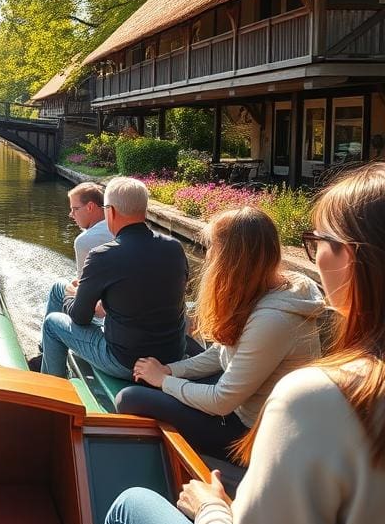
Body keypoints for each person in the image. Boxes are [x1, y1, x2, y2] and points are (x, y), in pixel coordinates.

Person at [102, 162, 385, 524]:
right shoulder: (276, 300)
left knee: (127, 504)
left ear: (353, 256)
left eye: (318, 242)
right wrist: (172, 370)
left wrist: (211, 509)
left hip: (246, 427)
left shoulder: (314, 395)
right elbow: (221, 354)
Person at [115, 207, 324, 462]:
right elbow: (220, 352)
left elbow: (221, 401)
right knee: (181, 354)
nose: (209, 254)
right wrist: (170, 370)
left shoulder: (273, 320)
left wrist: (163, 381)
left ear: (231, 259)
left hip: (252, 435)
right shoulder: (268, 287)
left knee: (130, 398)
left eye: (213, 247)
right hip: (242, 403)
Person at [41, 176, 188, 380]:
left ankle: (54, 393)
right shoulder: (175, 248)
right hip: (172, 355)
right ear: (144, 210)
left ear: (109, 211)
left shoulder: (102, 255)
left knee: (51, 323)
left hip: (125, 361)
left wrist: (70, 296)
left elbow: (79, 317)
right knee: (65, 291)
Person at [30, 183, 113, 371]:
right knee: (58, 287)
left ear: (90, 207)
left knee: (54, 316)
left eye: (74, 209)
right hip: (109, 305)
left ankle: (47, 359)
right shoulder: (116, 229)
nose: (71, 215)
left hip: (103, 318)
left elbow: (83, 308)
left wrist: (75, 292)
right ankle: (45, 350)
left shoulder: (85, 241)